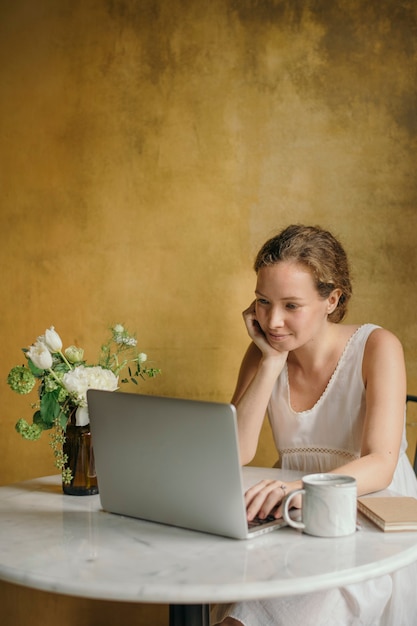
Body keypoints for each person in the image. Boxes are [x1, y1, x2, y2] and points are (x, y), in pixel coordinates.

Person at [211, 224, 417, 626]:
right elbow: (233, 452)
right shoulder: (262, 354)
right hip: (292, 514)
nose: (272, 321)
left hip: (366, 513)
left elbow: (381, 462)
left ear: (331, 299)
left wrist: (298, 490)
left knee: (260, 615)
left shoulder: (378, 348)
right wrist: (271, 362)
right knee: (231, 597)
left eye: (291, 305)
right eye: (262, 302)